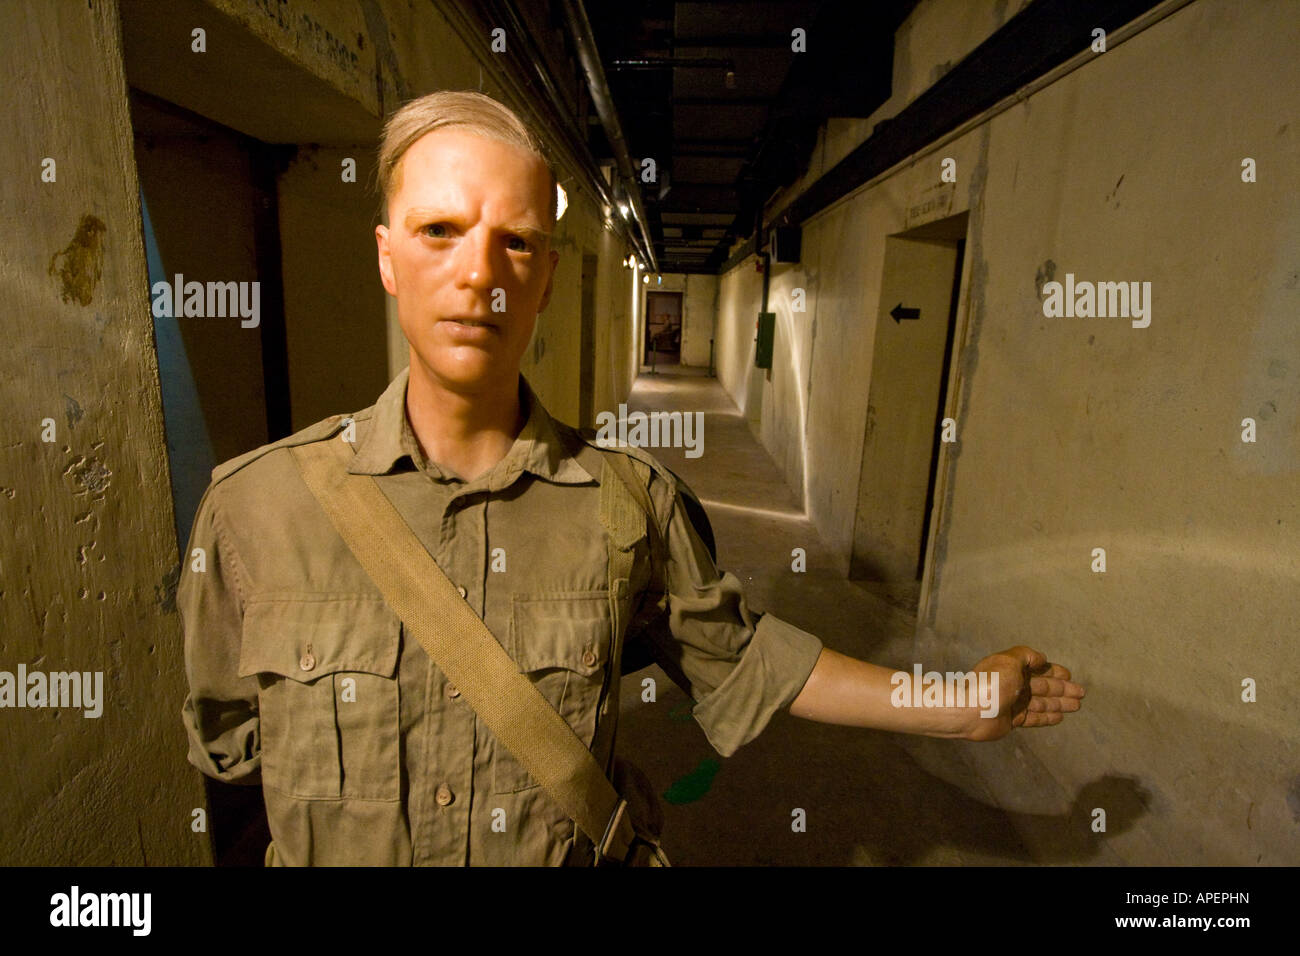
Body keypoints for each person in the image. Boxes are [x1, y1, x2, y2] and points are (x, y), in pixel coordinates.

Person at [179, 90, 1084, 867]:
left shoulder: (629, 506)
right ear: (386, 255)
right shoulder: (257, 508)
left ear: (546, 282)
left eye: (518, 245)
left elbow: (742, 661)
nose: (480, 275)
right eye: (439, 231)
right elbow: (232, 768)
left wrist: (959, 705)